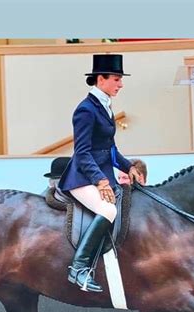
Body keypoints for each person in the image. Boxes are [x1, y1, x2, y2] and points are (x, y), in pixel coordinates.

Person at [58, 54, 142, 292]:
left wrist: (129, 167)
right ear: (101, 79)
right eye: (116, 79)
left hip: (100, 173)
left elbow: (110, 149)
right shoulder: (85, 110)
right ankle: (79, 268)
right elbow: (82, 152)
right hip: (83, 176)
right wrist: (101, 180)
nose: (120, 84)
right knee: (108, 209)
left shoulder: (105, 106)